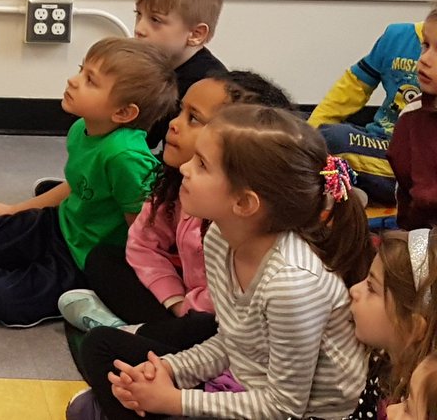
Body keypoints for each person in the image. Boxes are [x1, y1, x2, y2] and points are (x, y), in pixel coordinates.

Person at [103, 105, 374, 420]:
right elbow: (233, 343)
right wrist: (169, 370)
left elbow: (284, 407)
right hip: (246, 386)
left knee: (134, 390)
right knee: (105, 348)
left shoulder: (293, 284)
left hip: (305, 415)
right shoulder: (219, 236)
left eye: (202, 165)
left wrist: (175, 401)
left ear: (244, 203)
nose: (186, 169)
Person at [63, 72, 295, 419]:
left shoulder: (256, 238)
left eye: (194, 119)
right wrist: (173, 300)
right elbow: (142, 243)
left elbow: (232, 329)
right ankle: (133, 343)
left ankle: (126, 348)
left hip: (217, 335)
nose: (173, 125)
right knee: (102, 259)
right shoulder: (181, 184)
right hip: (192, 313)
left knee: (108, 346)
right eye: (180, 112)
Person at [0, 38, 178, 327]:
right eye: (82, 70)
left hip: (83, 262)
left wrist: (121, 292)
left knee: (2, 298)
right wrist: (16, 209)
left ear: (123, 113)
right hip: (59, 226)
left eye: (90, 81)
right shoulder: (83, 128)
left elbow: (142, 232)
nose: (73, 80)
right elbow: (73, 186)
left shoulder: (126, 157)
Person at [309, 20, 424, 205]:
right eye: (425, 46)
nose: (424, 58)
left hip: (416, 163)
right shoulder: (398, 35)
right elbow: (354, 86)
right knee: (291, 125)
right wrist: (305, 133)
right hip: (378, 142)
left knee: (332, 138)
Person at [132, 0, 227, 150]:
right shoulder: (160, 66)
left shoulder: (206, 83)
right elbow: (145, 136)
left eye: (156, 20)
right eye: (138, 14)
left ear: (195, 34)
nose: (139, 29)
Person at [350, 228, 436, 417]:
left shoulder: (421, 402)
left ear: (413, 327)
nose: (354, 290)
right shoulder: (381, 362)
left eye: (371, 288)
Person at [389, 3, 437, 230]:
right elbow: (407, 197)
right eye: (425, 46)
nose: (425, 59)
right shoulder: (412, 116)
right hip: (424, 238)